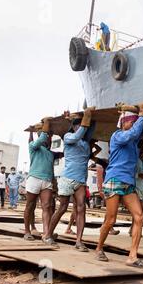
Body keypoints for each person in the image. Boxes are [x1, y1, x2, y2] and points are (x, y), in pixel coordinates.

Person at [95, 101, 143, 268]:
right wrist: (142, 116)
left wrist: (142, 119)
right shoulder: (117, 136)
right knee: (110, 220)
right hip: (114, 180)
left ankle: (132, 256)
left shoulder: (133, 142)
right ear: (123, 122)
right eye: (131, 122)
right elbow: (132, 134)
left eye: (134, 123)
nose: (133, 125)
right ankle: (99, 248)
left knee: (139, 217)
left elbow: (135, 135)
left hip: (128, 183)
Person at [44, 107, 96, 251]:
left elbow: (92, 127)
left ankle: (79, 241)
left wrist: (90, 116)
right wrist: (80, 120)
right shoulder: (68, 137)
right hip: (67, 179)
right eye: (77, 125)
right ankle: (48, 235)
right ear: (73, 127)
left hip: (80, 180)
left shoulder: (85, 143)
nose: (81, 127)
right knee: (62, 208)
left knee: (81, 209)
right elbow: (79, 134)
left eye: (81, 124)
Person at [23, 119, 60, 241]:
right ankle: (27, 231)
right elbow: (39, 138)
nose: (48, 138)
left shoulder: (51, 153)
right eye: (47, 136)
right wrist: (33, 132)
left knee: (47, 206)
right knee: (30, 205)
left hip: (46, 181)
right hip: (34, 179)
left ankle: (46, 233)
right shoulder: (34, 147)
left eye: (49, 137)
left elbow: (64, 153)